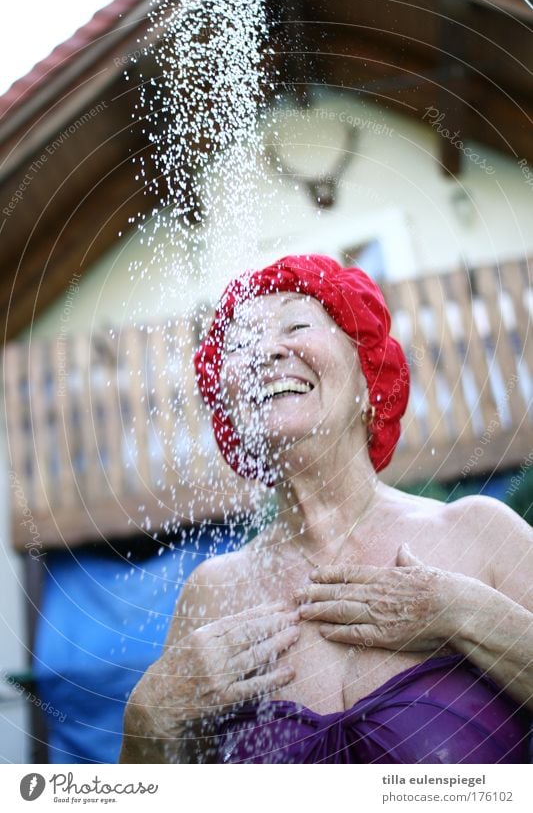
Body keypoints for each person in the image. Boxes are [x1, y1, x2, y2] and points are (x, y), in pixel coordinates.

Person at [120, 254, 533, 764]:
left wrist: (465, 615)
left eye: (296, 324)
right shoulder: (210, 591)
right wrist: (146, 721)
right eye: (243, 343)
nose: (267, 352)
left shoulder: (479, 532)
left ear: (368, 382)